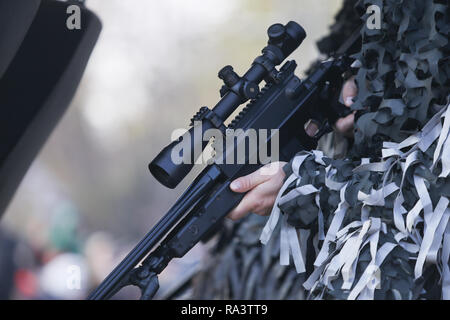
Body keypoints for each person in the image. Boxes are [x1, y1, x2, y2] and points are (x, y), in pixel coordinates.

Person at [193, 0, 449, 300]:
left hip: (409, 242)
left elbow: (428, 190)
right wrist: (358, 81)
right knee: (242, 263)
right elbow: (357, 51)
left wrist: (301, 184)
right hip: (356, 205)